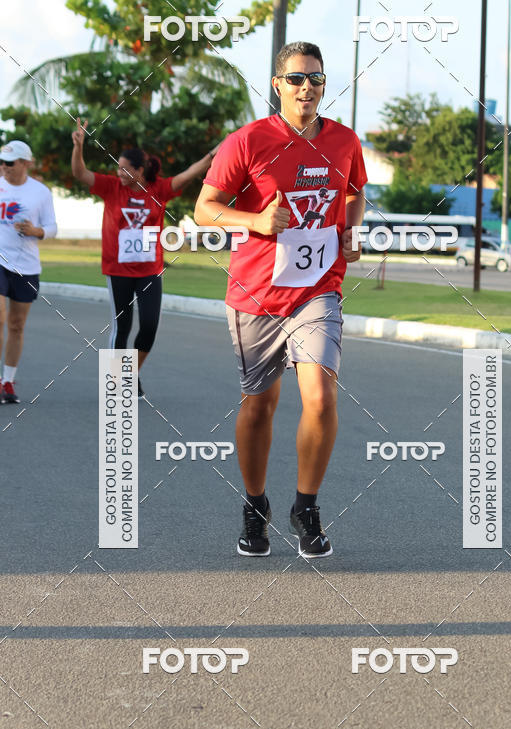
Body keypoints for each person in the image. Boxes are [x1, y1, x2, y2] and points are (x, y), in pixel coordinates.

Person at [195, 41, 367, 558]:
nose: (307, 88)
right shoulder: (247, 141)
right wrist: (254, 221)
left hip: (319, 289)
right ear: (277, 86)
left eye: (316, 79)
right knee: (259, 404)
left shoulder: (343, 141)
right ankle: (254, 505)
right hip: (257, 295)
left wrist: (352, 230)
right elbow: (205, 209)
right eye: (296, 79)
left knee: (320, 396)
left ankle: (306, 507)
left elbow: (355, 191)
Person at [71, 119, 217, 396]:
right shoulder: (111, 187)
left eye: (126, 169)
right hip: (118, 270)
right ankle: (116, 382)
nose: (120, 173)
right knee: (122, 326)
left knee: (149, 326)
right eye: (119, 167)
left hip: (149, 270)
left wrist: (212, 155)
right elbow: (80, 173)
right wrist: (78, 146)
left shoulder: (159, 190)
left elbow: (188, 174)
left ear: (140, 171)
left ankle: (130, 373)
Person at [0, 140, 57, 404]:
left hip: (27, 267)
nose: (4, 167)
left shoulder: (40, 192)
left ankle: (8, 381)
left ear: (25, 163)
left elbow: (52, 226)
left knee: (16, 325)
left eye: (9, 163)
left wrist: (37, 231)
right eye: (1, 162)